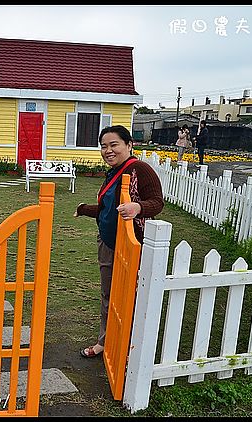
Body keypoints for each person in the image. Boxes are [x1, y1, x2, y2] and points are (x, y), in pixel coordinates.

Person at [73, 125, 164, 358]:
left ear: (129, 145)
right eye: (104, 146)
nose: (108, 151)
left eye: (114, 145)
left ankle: (130, 345)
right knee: (108, 294)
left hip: (132, 244)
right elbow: (108, 209)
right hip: (107, 242)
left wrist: (139, 207)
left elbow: (157, 202)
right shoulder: (113, 172)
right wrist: (84, 209)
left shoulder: (139, 169)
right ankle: (105, 341)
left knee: (129, 294)